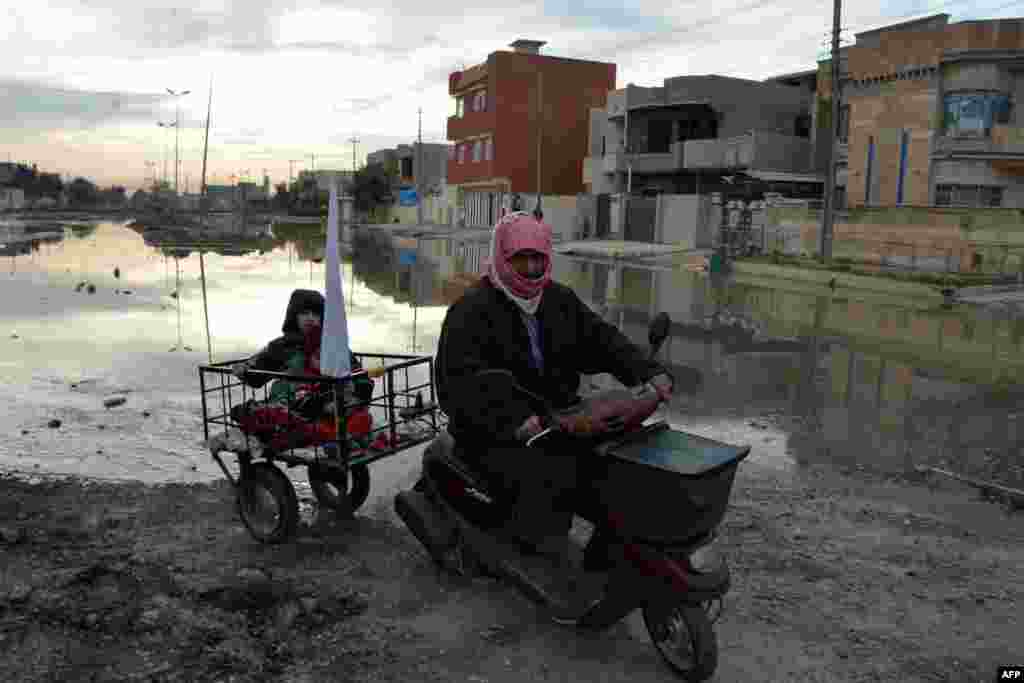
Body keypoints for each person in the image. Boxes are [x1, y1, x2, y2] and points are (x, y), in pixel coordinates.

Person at [435, 212, 674, 577]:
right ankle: (532, 551)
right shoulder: (470, 311)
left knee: (616, 466)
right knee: (550, 472)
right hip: (496, 431)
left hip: (561, 418)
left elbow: (602, 339)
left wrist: (648, 371)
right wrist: (513, 419)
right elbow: (459, 384)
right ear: (501, 256)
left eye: (538, 259)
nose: (530, 268)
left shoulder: (558, 300)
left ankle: (600, 557)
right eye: (520, 258)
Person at [231, 289, 374, 446]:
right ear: (294, 315)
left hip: (330, 411)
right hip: (292, 410)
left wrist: (352, 401)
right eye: (304, 313)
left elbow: (358, 375)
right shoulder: (281, 346)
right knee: (263, 414)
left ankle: (344, 442)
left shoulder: (334, 344)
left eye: (316, 314)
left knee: (357, 421)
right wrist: (244, 370)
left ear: (323, 318)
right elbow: (256, 373)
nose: (310, 318)